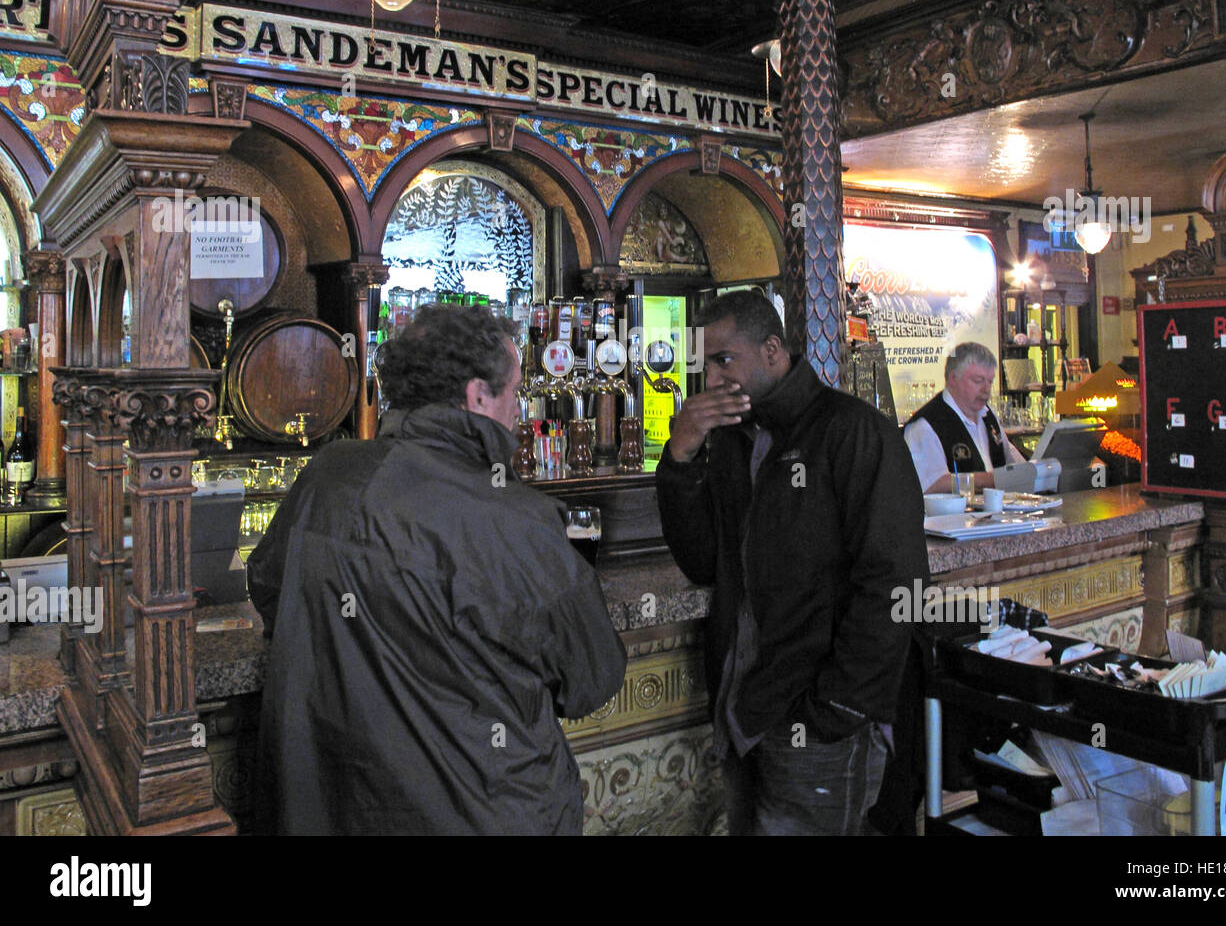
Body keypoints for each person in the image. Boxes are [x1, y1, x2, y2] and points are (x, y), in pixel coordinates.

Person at [247, 305, 627, 835]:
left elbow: (268, 586)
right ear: (477, 396)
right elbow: (592, 679)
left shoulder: (326, 477)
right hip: (489, 811)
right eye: (514, 392)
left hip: (329, 805)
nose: (518, 411)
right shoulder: (520, 520)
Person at [655, 290, 928, 836]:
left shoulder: (853, 432)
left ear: (773, 350)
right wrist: (680, 458)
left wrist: (838, 707)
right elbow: (707, 561)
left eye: (723, 360)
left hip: (818, 714)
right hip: (747, 708)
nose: (710, 378)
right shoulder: (733, 438)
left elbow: (897, 584)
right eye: (704, 364)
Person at [903, 342, 1025, 494]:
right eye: (978, 381)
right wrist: (992, 480)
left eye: (990, 381)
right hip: (952, 517)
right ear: (954, 379)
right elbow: (931, 484)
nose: (986, 390)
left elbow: (1013, 462)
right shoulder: (925, 425)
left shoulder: (988, 415)